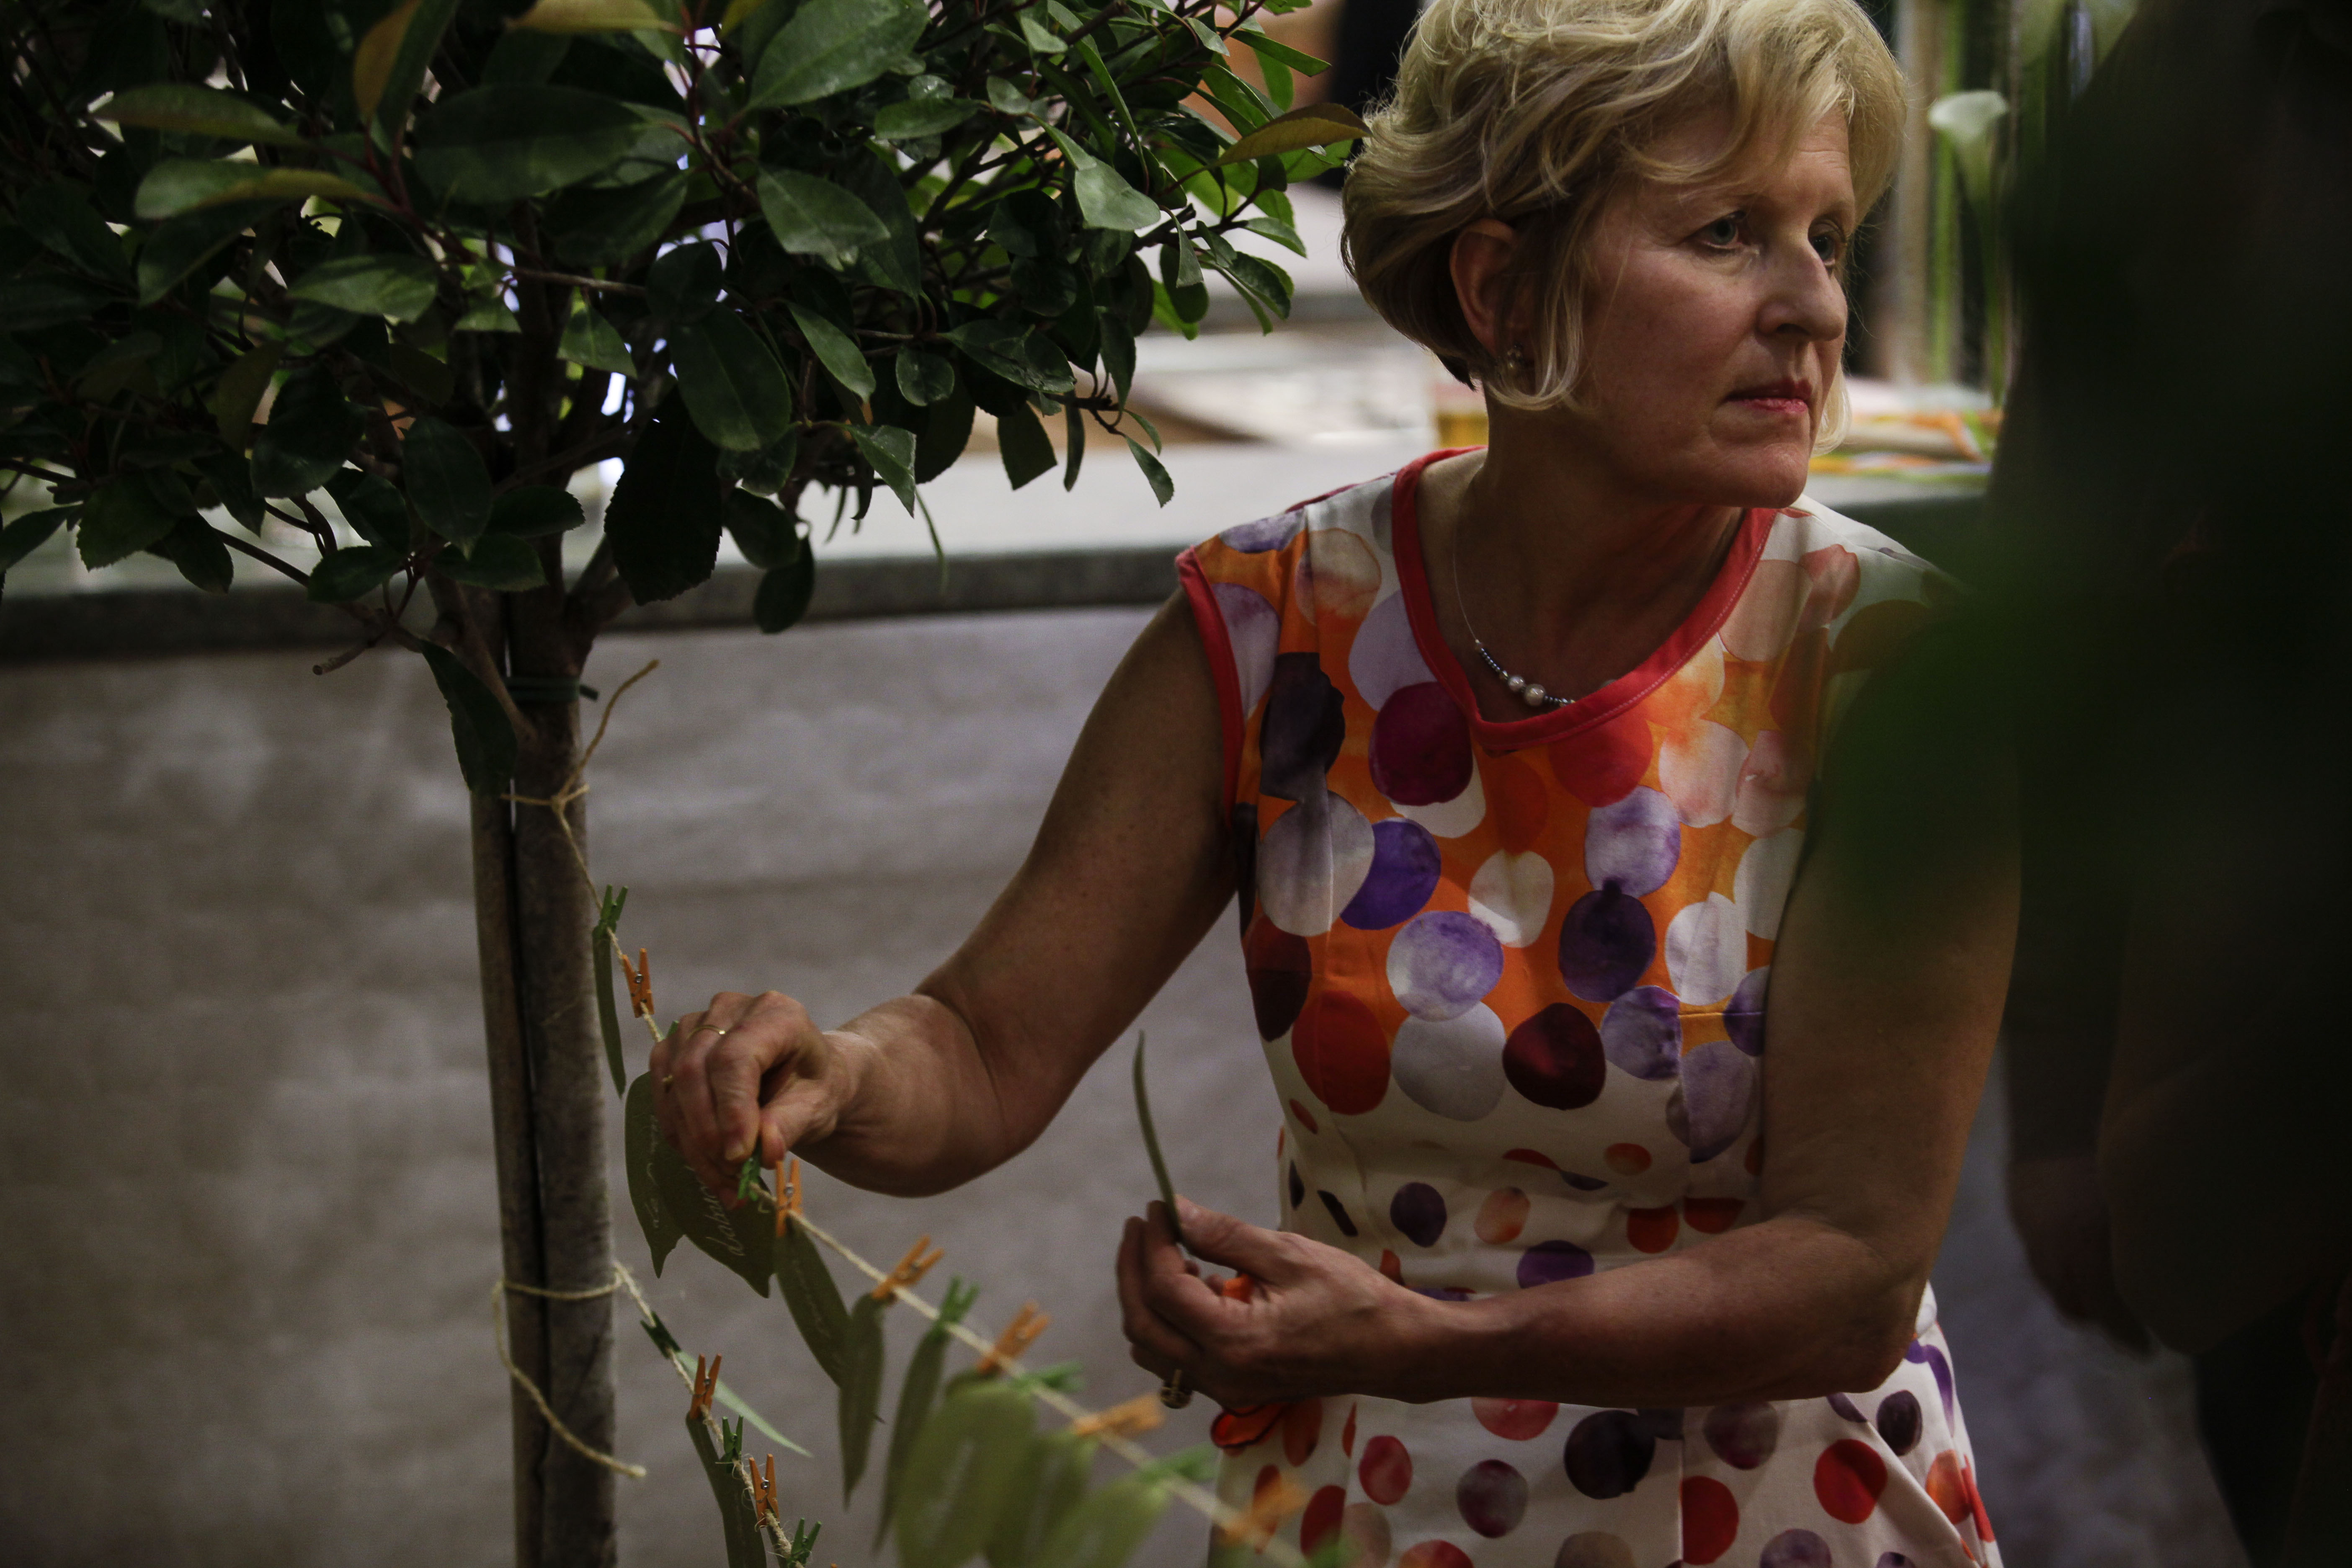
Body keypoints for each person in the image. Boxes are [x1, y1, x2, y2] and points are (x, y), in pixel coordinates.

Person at [652, 0, 2017, 1560]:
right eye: (1727, 233)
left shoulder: (1890, 673)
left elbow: (1849, 1271)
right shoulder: (1281, 624)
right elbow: (978, 1047)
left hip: (1773, 1527)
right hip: (1370, 1520)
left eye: (1828, 238)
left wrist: (1430, 1346)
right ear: (1504, 288)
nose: (1815, 305)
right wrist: (830, 1073)